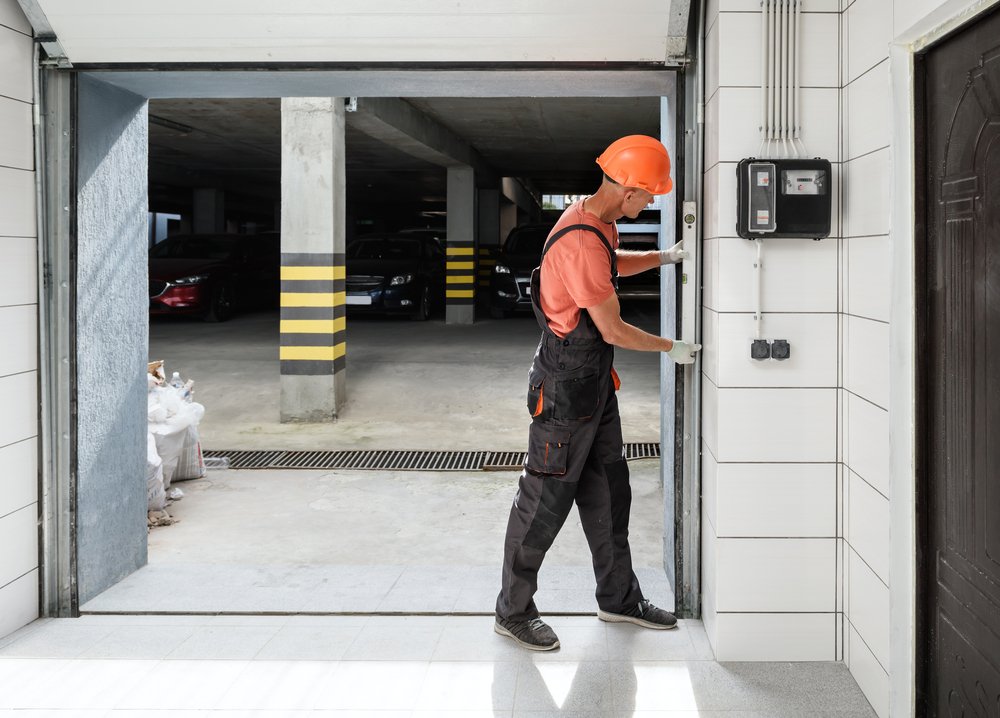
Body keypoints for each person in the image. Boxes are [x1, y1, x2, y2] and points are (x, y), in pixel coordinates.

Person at [494, 135, 702, 651]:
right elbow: (612, 330)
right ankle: (513, 611)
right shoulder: (583, 239)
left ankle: (619, 598)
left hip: (593, 388)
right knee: (544, 500)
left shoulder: (598, 221)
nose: (650, 203)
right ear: (627, 189)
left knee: (610, 491)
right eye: (648, 195)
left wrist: (666, 257)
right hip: (565, 390)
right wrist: (671, 346)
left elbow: (611, 266)